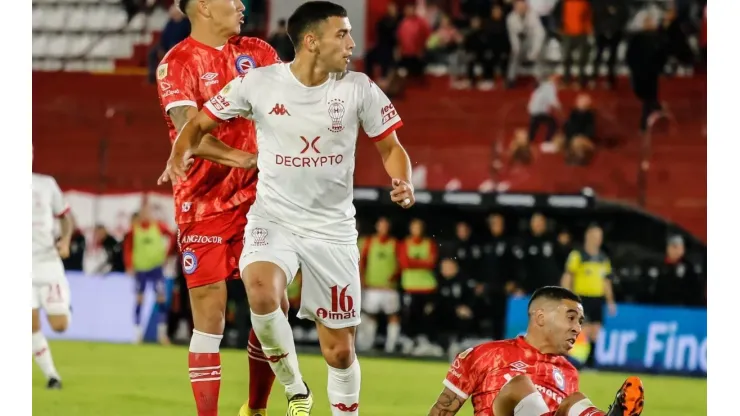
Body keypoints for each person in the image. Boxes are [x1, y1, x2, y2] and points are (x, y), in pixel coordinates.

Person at [161, 2, 415, 415]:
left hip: (332, 231)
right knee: (260, 291)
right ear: (312, 41)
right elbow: (197, 124)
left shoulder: (359, 88)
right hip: (270, 216)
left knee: (339, 352)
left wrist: (403, 180)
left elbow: (392, 147)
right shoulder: (256, 82)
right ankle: (296, 390)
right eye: (343, 34)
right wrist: (180, 152)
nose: (352, 43)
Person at [154, 0, 287, 414]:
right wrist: (246, 158)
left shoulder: (260, 53)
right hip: (203, 203)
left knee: (273, 303)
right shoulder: (176, 64)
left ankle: (256, 407)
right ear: (206, 7)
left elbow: (296, 98)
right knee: (210, 320)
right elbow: (189, 133)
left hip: (261, 200)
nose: (241, 5)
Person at [427, 286, 645, 416]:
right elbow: (442, 410)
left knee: (574, 402)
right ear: (541, 317)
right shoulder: (485, 354)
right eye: (570, 318)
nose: (577, 328)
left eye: (580, 322)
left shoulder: (568, 373)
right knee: (520, 386)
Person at [32, 171, 75, 389]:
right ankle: (52, 376)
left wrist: (65, 240)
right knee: (29, 325)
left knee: (59, 325)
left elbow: (66, 216)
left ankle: (66, 304)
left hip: (48, 263)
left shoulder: (46, 184)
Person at [561, 224, 616, 369]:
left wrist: (610, 301)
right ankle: (573, 361)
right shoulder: (577, 255)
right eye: (594, 237)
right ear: (587, 237)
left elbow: (606, 281)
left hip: (597, 299)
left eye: (599, 237)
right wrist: (565, 295)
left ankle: (590, 363)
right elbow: (568, 276)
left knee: (595, 330)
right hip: (581, 297)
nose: (596, 240)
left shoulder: (603, 258)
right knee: (581, 330)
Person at [123, 200, 176, 344]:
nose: (146, 215)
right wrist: (129, 265)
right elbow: (128, 248)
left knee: (161, 299)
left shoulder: (158, 226)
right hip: (141, 269)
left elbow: (172, 236)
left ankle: (162, 334)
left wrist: (168, 254)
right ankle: (137, 334)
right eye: (143, 213)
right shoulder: (134, 230)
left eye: (148, 212)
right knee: (140, 299)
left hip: (156, 268)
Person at [358, 217, 402, 353]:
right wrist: (362, 280)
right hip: (372, 287)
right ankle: (367, 345)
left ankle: (391, 346)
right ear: (376, 226)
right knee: (370, 315)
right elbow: (361, 262)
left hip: (389, 288)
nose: (383, 228)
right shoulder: (369, 242)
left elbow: (400, 263)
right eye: (381, 225)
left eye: (385, 225)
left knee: (393, 315)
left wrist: (394, 276)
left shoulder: (395, 243)